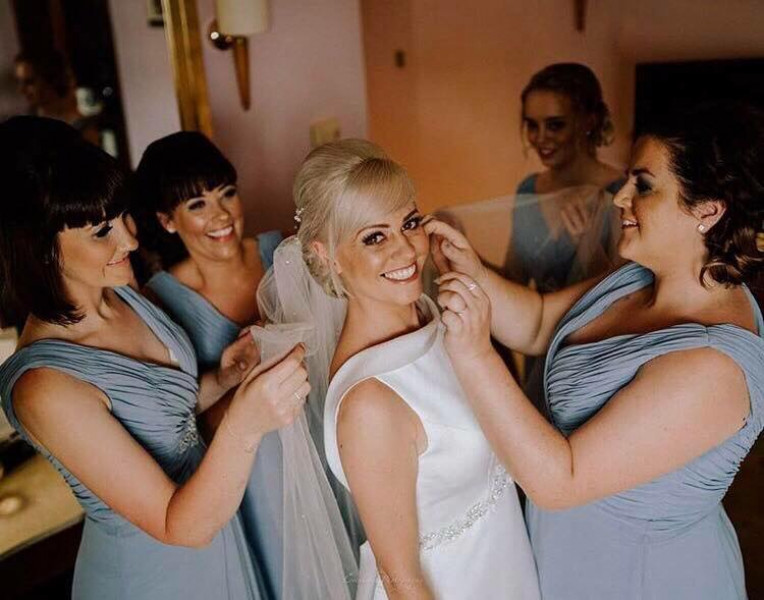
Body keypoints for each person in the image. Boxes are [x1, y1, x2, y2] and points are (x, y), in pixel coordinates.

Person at [428, 102, 764, 598]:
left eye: (643, 186)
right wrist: (472, 272)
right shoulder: (641, 274)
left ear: (708, 211)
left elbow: (559, 481)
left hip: (637, 578)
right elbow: (538, 322)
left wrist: (475, 355)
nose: (620, 198)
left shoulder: (712, 367)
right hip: (569, 554)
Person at [0, 116, 308, 600]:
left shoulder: (125, 294)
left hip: (223, 532)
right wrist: (245, 424)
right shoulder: (43, 386)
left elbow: (165, 417)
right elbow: (178, 525)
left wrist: (224, 377)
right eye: (102, 230)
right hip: (159, 570)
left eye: (123, 215)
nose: (129, 240)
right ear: (41, 251)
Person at [263, 139, 540, 599]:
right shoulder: (369, 403)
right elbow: (400, 579)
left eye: (409, 223)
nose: (406, 249)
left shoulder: (435, 317)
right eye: (374, 237)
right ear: (327, 255)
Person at [129, 131, 286, 597]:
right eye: (197, 204)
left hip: (316, 431)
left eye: (227, 193)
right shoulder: (159, 302)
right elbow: (176, 417)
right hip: (248, 469)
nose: (221, 215)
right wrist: (232, 379)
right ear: (167, 220)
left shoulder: (283, 253)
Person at [508, 62, 624, 407]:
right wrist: (459, 249)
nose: (540, 138)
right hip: (538, 352)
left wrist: (588, 246)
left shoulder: (623, 194)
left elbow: (625, 296)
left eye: (555, 124)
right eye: (532, 125)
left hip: (591, 358)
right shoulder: (528, 190)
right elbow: (513, 279)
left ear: (588, 121)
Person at [14, 51, 99, 145]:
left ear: (50, 80)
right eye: (19, 82)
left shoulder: (81, 129)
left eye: (30, 82)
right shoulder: (24, 126)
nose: (21, 90)